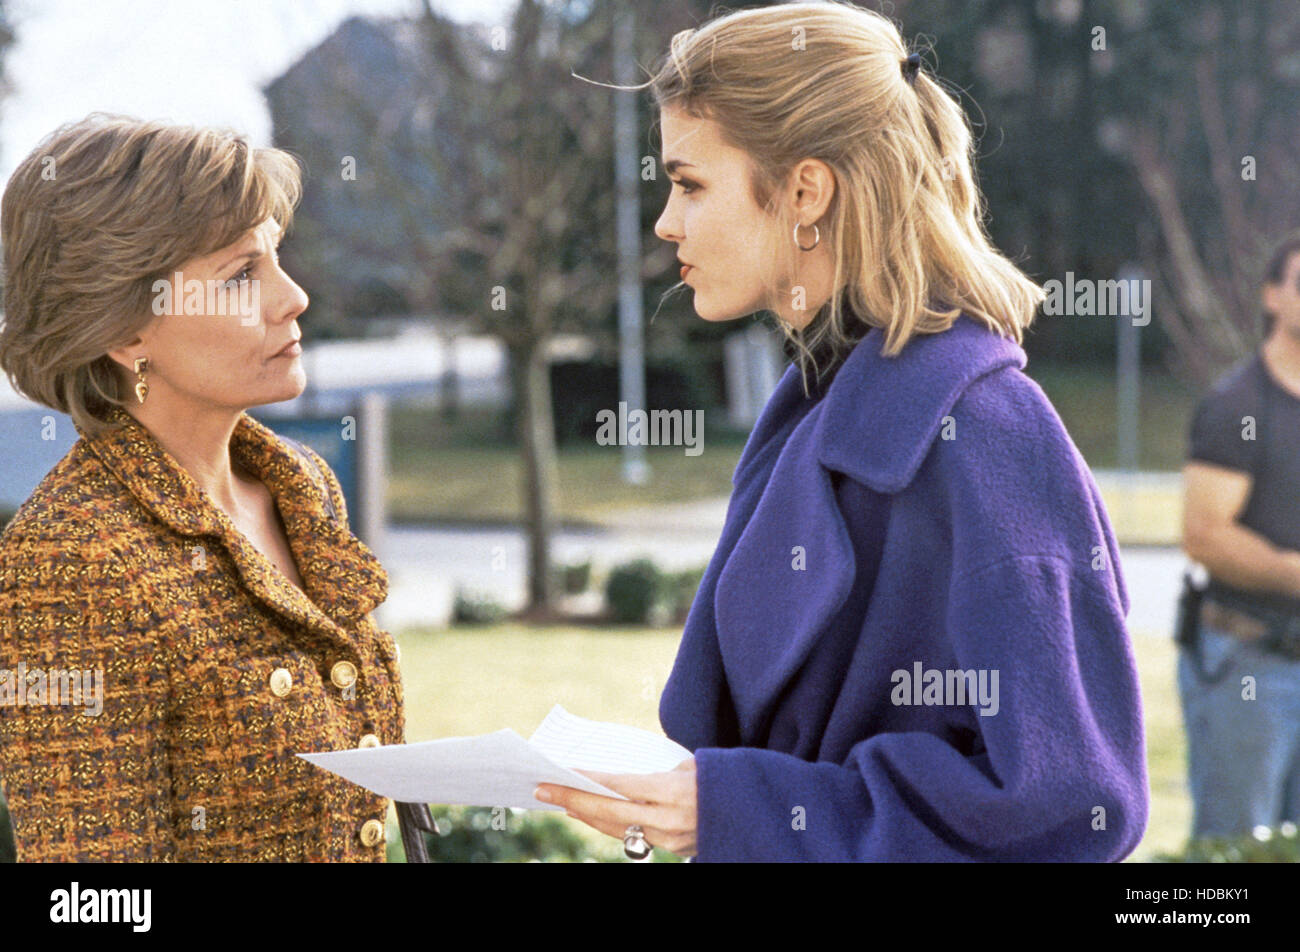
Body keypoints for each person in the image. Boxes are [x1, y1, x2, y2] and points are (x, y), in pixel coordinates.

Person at [536, 2, 1148, 861]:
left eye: (689, 183)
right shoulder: (810, 410)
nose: (666, 223)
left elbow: (1072, 807)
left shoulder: (988, 434)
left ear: (805, 192)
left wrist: (740, 811)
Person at [0, 114, 404, 861]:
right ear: (126, 330)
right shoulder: (71, 556)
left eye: (277, 258)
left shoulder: (302, 486)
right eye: (241, 275)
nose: (293, 298)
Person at [1180, 230, 1300, 839]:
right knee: (1234, 858)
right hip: (1250, 667)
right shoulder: (1238, 406)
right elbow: (1204, 536)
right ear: (1272, 296)